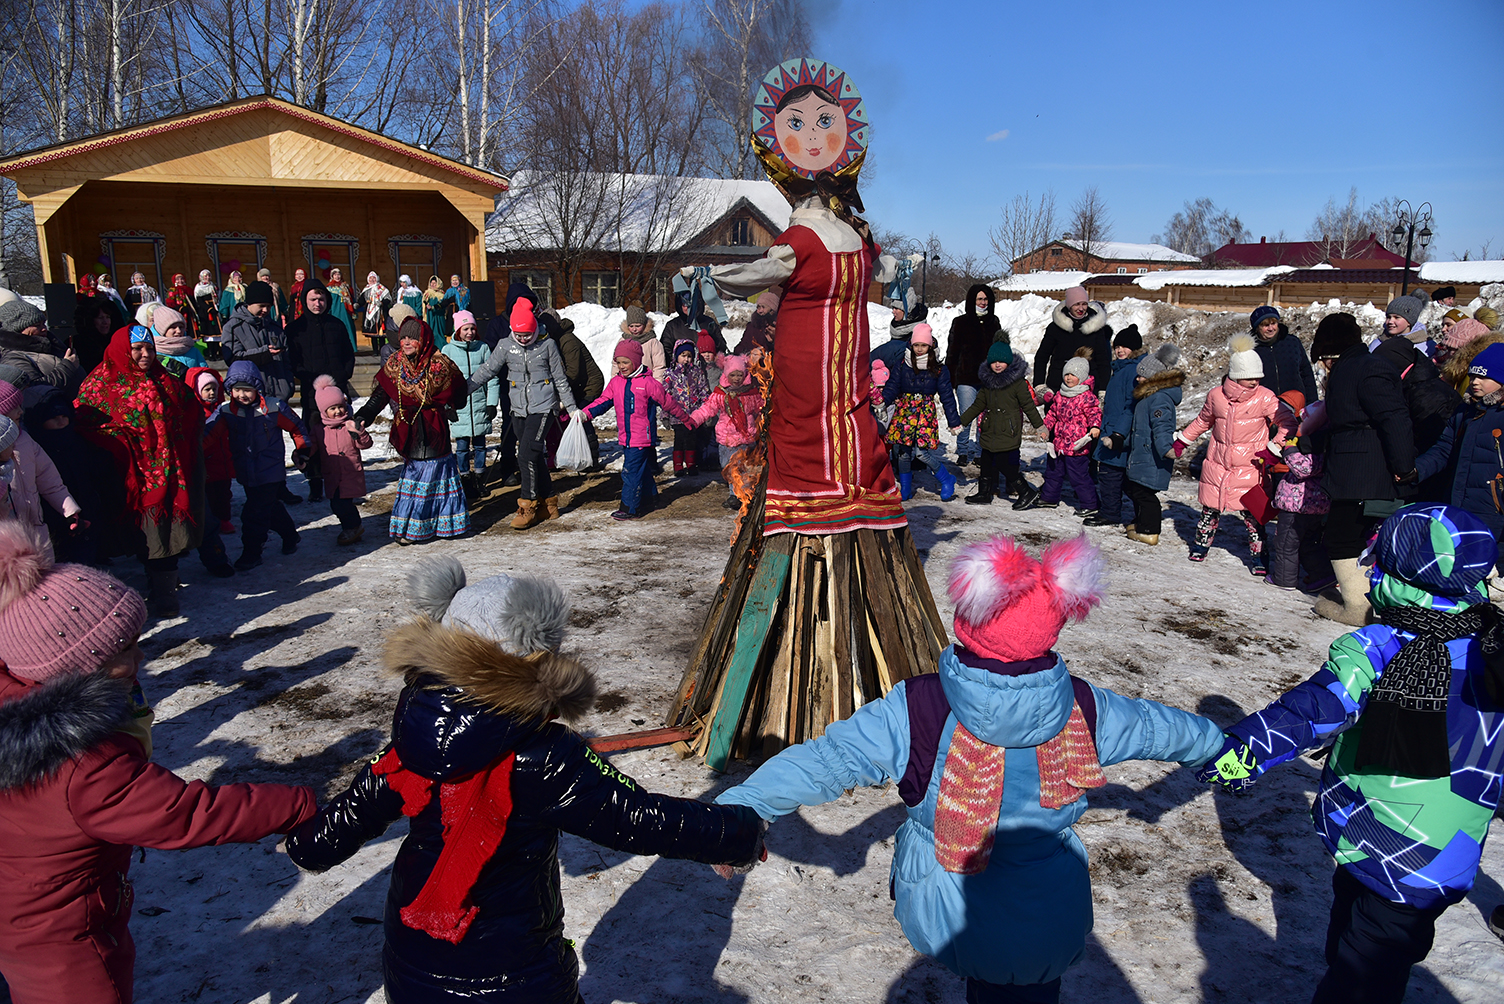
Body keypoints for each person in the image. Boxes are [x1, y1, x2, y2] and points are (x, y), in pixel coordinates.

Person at [715, 533, 1222, 1004]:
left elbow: (828, 760)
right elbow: (1158, 728)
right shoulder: (1084, 707)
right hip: (1047, 910)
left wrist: (741, 809)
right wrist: (1218, 747)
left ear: (968, 618)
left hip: (947, 898)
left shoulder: (918, 707)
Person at [285, 558, 764, 1004]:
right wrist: (736, 833)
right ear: (535, 657)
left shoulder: (411, 740)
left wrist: (306, 841)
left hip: (412, 962)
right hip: (513, 975)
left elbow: (352, 813)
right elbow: (636, 819)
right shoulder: (542, 754)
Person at [1197, 503, 1504, 1004]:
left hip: (1379, 836)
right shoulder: (1492, 642)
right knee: (1384, 951)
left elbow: (1315, 708)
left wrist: (1240, 752)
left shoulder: (1382, 646)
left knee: (1360, 972)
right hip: (1449, 848)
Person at [0, 521, 317, 1004]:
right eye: (123, 650)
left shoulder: (14, 690)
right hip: (62, 930)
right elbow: (184, 813)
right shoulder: (83, 765)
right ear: (74, 668)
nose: (139, 656)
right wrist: (295, 805)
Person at [74, 325, 204, 617]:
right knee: (138, 535)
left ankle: (165, 590)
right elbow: (88, 421)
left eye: (149, 348)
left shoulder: (165, 381)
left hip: (166, 472)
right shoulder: (100, 383)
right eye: (137, 349)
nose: (145, 355)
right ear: (123, 349)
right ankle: (153, 579)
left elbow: (189, 411)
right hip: (127, 476)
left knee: (164, 534)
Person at [1308, 312, 1417, 625]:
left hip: (1367, 469)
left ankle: (1361, 607)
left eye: (1324, 358)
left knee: (1347, 536)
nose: (1324, 366)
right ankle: (1364, 603)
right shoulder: (1355, 367)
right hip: (1354, 467)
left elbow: (1393, 418)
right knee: (1350, 536)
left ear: (1330, 353)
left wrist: (1404, 467)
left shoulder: (1368, 369)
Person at [1171, 334, 1289, 572]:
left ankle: (1258, 556)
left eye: (1257, 377)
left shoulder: (1265, 397)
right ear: (1235, 377)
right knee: (1210, 509)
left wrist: (1274, 448)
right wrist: (1183, 440)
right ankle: (1200, 545)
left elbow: (1288, 423)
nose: (1254, 382)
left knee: (1254, 516)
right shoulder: (1216, 396)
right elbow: (1203, 421)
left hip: (1251, 467)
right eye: (1248, 378)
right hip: (1217, 465)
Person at [462, 300, 580, 529]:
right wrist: (464, 389)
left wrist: (572, 407)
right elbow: (488, 369)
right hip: (518, 408)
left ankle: (529, 505)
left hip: (544, 406)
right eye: (519, 334)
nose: (524, 339)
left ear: (535, 328)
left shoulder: (547, 346)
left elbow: (560, 379)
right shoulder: (506, 346)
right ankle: (550, 503)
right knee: (533, 455)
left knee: (525, 455)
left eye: (527, 334)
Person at [356, 317, 471, 544]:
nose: (407, 342)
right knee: (414, 477)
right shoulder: (395, 363)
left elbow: (460, 391)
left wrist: (449, 403)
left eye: (413, 337)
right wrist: (364, 415)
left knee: (432, 475)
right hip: (408, 428)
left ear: (424, 340)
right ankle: (409, 526)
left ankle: (431, 526)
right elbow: (381, 394)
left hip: (433, 428)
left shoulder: (440, 365)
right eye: (404, 337)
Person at [1412, 342, 1504, 580]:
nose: (1475, 382)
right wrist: (1416, 470)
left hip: (1493, 508)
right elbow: (1443, 450)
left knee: (1488, 569)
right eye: (1472, 375)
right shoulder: (1466, 412)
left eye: (1484, 377)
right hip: (1459, 503)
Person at [207, 361, 311, 570]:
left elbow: (297, 426)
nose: (242, 395)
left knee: (254, 513)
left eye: (247, 390)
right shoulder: (227, 411)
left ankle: (252, 552)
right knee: (269, 507)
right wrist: (193, 452)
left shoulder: (272, 408)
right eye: (237, 390)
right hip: (246, 469)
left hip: (269, 470)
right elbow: (209, 434)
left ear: (258, 389)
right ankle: (290, 535)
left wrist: (303, 450)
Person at [580, 338, 691, 520]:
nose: (622, 366)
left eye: (626, 362)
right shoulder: (616, 383)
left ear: (636, 361)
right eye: (618, 362)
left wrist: (686, 418)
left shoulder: (648, 383)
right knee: (643, 468)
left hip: (641, 437)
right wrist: (585, 414)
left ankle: (630, 507)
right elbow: (603, 401)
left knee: (631, 471)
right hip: (626, 437)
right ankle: (650, 499)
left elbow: (668, 402)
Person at [286, 279, 357, 504]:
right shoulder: (295, 329)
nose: (318, 303)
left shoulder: (337, 325)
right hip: (311, 394)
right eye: (313, 299)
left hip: (338, 391)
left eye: (321, 299)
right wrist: (309, 379)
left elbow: (348, 354)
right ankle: (315, 483)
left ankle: (347, 484)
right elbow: (293, 361)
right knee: (314, 439)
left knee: (345, 440)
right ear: (305, 301)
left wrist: (343, 375)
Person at [0, 379, 82, 561]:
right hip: (7, 539)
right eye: (13, 408)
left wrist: (69, 510)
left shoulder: (26, 441)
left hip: (36, 529)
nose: (20, 411)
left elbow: (50, 480)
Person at [1372, 335, 1461, 502]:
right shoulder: (1416, 386)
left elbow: (1428, 440)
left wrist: (1408, 467)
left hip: (1432, 477)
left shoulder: (1425, 394)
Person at [882, 323, 962, 501]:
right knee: (903, 452)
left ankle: (946, 479)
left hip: (924, 413)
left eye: (923, 345)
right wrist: (881, 402)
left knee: (921, 453)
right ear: (911, 345)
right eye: (916, 345)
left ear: (930, 346)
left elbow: (947, 396)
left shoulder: (939, 369)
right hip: (905, 412)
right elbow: (892, 386)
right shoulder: (903, 364)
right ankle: (906, 488)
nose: (919, 349)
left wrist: (953, 421)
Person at [958, 340, 1042, 505]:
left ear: (1009, 362)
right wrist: (961, 423)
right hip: (990, 430)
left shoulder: (1017, 383)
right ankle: (984, 493)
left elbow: (1028, 406)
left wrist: (1039, 425)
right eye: (994, 361)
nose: (997, 365)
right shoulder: (987, 383)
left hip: (1007, 431)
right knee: (986, 462)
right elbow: (977, 405)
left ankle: (1026, 492)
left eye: (1001, 361)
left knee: (1004, 464)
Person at [1018, 355, 1101, 514]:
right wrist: (1045, 428)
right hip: (1059, 443)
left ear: (1082, 377)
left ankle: (1090, 504)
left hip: (1078, 445)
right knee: (1053, 472)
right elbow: (1052, 415)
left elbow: (1095, 414)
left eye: (1073, 375)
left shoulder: (1087, 396)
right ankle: (1049, 498)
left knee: (1079, 477)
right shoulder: (1061, 394)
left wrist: (1095, 427)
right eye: (1067, 374)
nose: (1069, 378)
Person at [1267, 398, 1334, 590]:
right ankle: (1322, 575)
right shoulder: (1328, 444)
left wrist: (1289, 450)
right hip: (1317, 505)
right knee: (1308, 544)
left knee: (1286, 542)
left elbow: (1303, 469)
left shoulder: (1314, 444)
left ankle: (1284, 579)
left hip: (1297, 504)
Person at [1121, 343, 1184, 546]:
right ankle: (1140, 522)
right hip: (1141, 454)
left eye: (1142, 376)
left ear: (1154, 378)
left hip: (1152, 456)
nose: (1138, 379)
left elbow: (1162, 426)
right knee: (1133, 488)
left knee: (1144, 493)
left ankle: (1150, 530)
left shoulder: (1159, 399)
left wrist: (1167, 448)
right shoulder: (1147, 397)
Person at [688, 354, 765, 509]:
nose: (736, 378)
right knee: (729, 466)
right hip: (727, 439)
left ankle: (740, 495)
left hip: (746, 438)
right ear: (726, 374)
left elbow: (761, 408)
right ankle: (737, 492)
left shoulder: (751, 393)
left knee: (744, 467)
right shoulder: (720, 394)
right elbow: (708, 409)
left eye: (739, 375)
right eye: (733, 375)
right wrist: (694, 419)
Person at [1086, 325, 1144, 527]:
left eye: (1125, 347)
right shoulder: (1120, 369)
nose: (1120, 350)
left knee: (1110, 475)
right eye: (1117, 346)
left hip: (1118, 432)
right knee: (1118, 477)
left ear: (1135, 349)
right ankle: (1123, 512)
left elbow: (1130, 404)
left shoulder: (1131, 371)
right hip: (1112, 428)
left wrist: (1118, 432)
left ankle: (1111, 514)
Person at [945, 283, 1005, 466]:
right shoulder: (960, 322)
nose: (983, 302)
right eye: (979, 299)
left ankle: (980, 452)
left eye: (986, 299)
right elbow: (952, 352)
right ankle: (962, 451)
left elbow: (1000, 350)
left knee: (985, 418)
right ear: (972, 300)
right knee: (966, 416)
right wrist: (950, 378)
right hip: (966, 378)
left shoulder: (994, 322)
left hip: (988, 379)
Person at [439, 309, 496, 499]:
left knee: (480, 446)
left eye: (472, 328)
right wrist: (448, 407)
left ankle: (480, 477)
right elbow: (442, 381)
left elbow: (492, 378)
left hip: (479, 406)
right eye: (465, 329)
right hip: (460, 408)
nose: (469, 332)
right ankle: (464, 479)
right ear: (458, 330)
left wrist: (492, 403)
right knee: (462, 447)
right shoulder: (448, 351)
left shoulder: (483, 348)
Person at [184, 367, 238, 559]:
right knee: (207, 495)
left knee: (223, 493)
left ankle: (224, 518)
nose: (211, 393)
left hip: (222, 461)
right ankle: (211, 521)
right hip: (205, 464)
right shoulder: (196, 414)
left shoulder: (223, 410)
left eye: (214, 389)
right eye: (206, 389)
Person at [311, 375, 371, 546]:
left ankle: (353, 527)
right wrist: (303, 454)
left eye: (340, 407)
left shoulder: (349, 425)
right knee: (336, 505)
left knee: (343, 504)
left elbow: (366, 444)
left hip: (350, 472)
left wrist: (359, 433)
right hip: (332, 474)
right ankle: (350, 528)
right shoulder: (319, 429)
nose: (338, 411)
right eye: (332, 408)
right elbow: (312, 446)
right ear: (323, 411)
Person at [1033, 286, 1112, 393]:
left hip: (1088, 387)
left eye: (1084, 304)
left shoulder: (1096, 327)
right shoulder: (1056, 327)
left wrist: (1103, 389)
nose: (1081, 308)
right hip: (1059, 385)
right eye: (1076, 304)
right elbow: (1042, 356)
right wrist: (1039, 385)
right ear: (1069, 305)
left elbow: (1103, 361)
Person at [1248, 305, 1318, 404]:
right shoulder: (1250, 349)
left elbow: (1306, 374)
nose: (1271, 328)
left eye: (1274, 323)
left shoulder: (1292, 343)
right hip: (1264, 407)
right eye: (1265, 325)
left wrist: (1312, 403)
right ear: (1257, 328)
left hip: (1296, 404)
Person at [663, 338, 713, 475]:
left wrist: (707, 410)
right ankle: (678, 465)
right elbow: (665, 396)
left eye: (689, 356)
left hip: (693, 414)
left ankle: (691, 464)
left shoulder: (697, 373)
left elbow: (703, 390)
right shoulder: (670, 374)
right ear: (676, 356)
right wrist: (665, 415)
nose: (686, 359)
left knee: (692, 439)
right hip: (677, 414)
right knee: (679, 439)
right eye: (683, 356)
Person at [660, 288, 726, 361]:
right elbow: (665, 351)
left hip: (707, 369)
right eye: (685, 304)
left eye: (692, 304)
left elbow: (721, 348)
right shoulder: (672, 326)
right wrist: (678, 364)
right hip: (682, 369)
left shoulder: (708, 323)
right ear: (680, 305)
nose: (688, 308)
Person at [870, 290, 926, 371]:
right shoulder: (898, 327)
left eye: (897, 308)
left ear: (907, 310)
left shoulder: (919, 332)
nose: (893, 311)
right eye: (893, 308)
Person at [146, 305, 205, 380]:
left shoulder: (193, 350)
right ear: (161, 330)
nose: (179, 331)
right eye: (173, 327)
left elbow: (204, 373)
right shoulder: (153, 352)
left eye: (181, 327)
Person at [620, 305, 667, 382]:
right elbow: (616, 364)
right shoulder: (623, 341)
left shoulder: (652, 342)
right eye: (631, 326)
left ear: (645, 325)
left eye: (638, 326)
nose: (634, 329)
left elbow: (659, 366)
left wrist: (656, 384)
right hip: (626, 383)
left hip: (647, 383)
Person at [356, 271, 392, 352]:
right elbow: (362, 300)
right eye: (370, 278)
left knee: (381, 334)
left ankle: (382, 350)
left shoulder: (382, 289)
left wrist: (382, 303)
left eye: (374, 278)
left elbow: (388, 300)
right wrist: (358, 304)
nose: (372, 280)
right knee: (373, 335)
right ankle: (375, 350)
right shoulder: (366, 289)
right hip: (370, 313)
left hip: (380, 313)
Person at [324, 267, 358, 348]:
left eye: (338, 274)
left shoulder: (346, 286)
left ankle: (351, 347)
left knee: (348, 327)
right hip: (335, 310)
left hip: (346, 311)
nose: (337, 276)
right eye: (335, 275)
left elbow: (351, 298)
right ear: (332, 276)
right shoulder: (329, 288)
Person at [191, 270, 222, 359]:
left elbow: (217, 297)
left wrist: (216, 307)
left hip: (214, 310)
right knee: (209, 332)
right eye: (205, 276)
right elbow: (199, 300)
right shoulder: (199, 287)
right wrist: (208, 309)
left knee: (216, 332)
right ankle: (210, 352)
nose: (207, 278)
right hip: (205, 312)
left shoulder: (213, 286)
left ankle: (216, 352)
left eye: (208, 276)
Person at [422, 275, 447, 344]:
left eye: (434, 283)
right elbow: (424, 303)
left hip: (439, 316)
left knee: (439, 332)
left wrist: (434, 307)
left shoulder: (442, 294)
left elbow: (443, 305)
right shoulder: (427, 293)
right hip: (430, 316)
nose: (432, 285)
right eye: (431, 283)